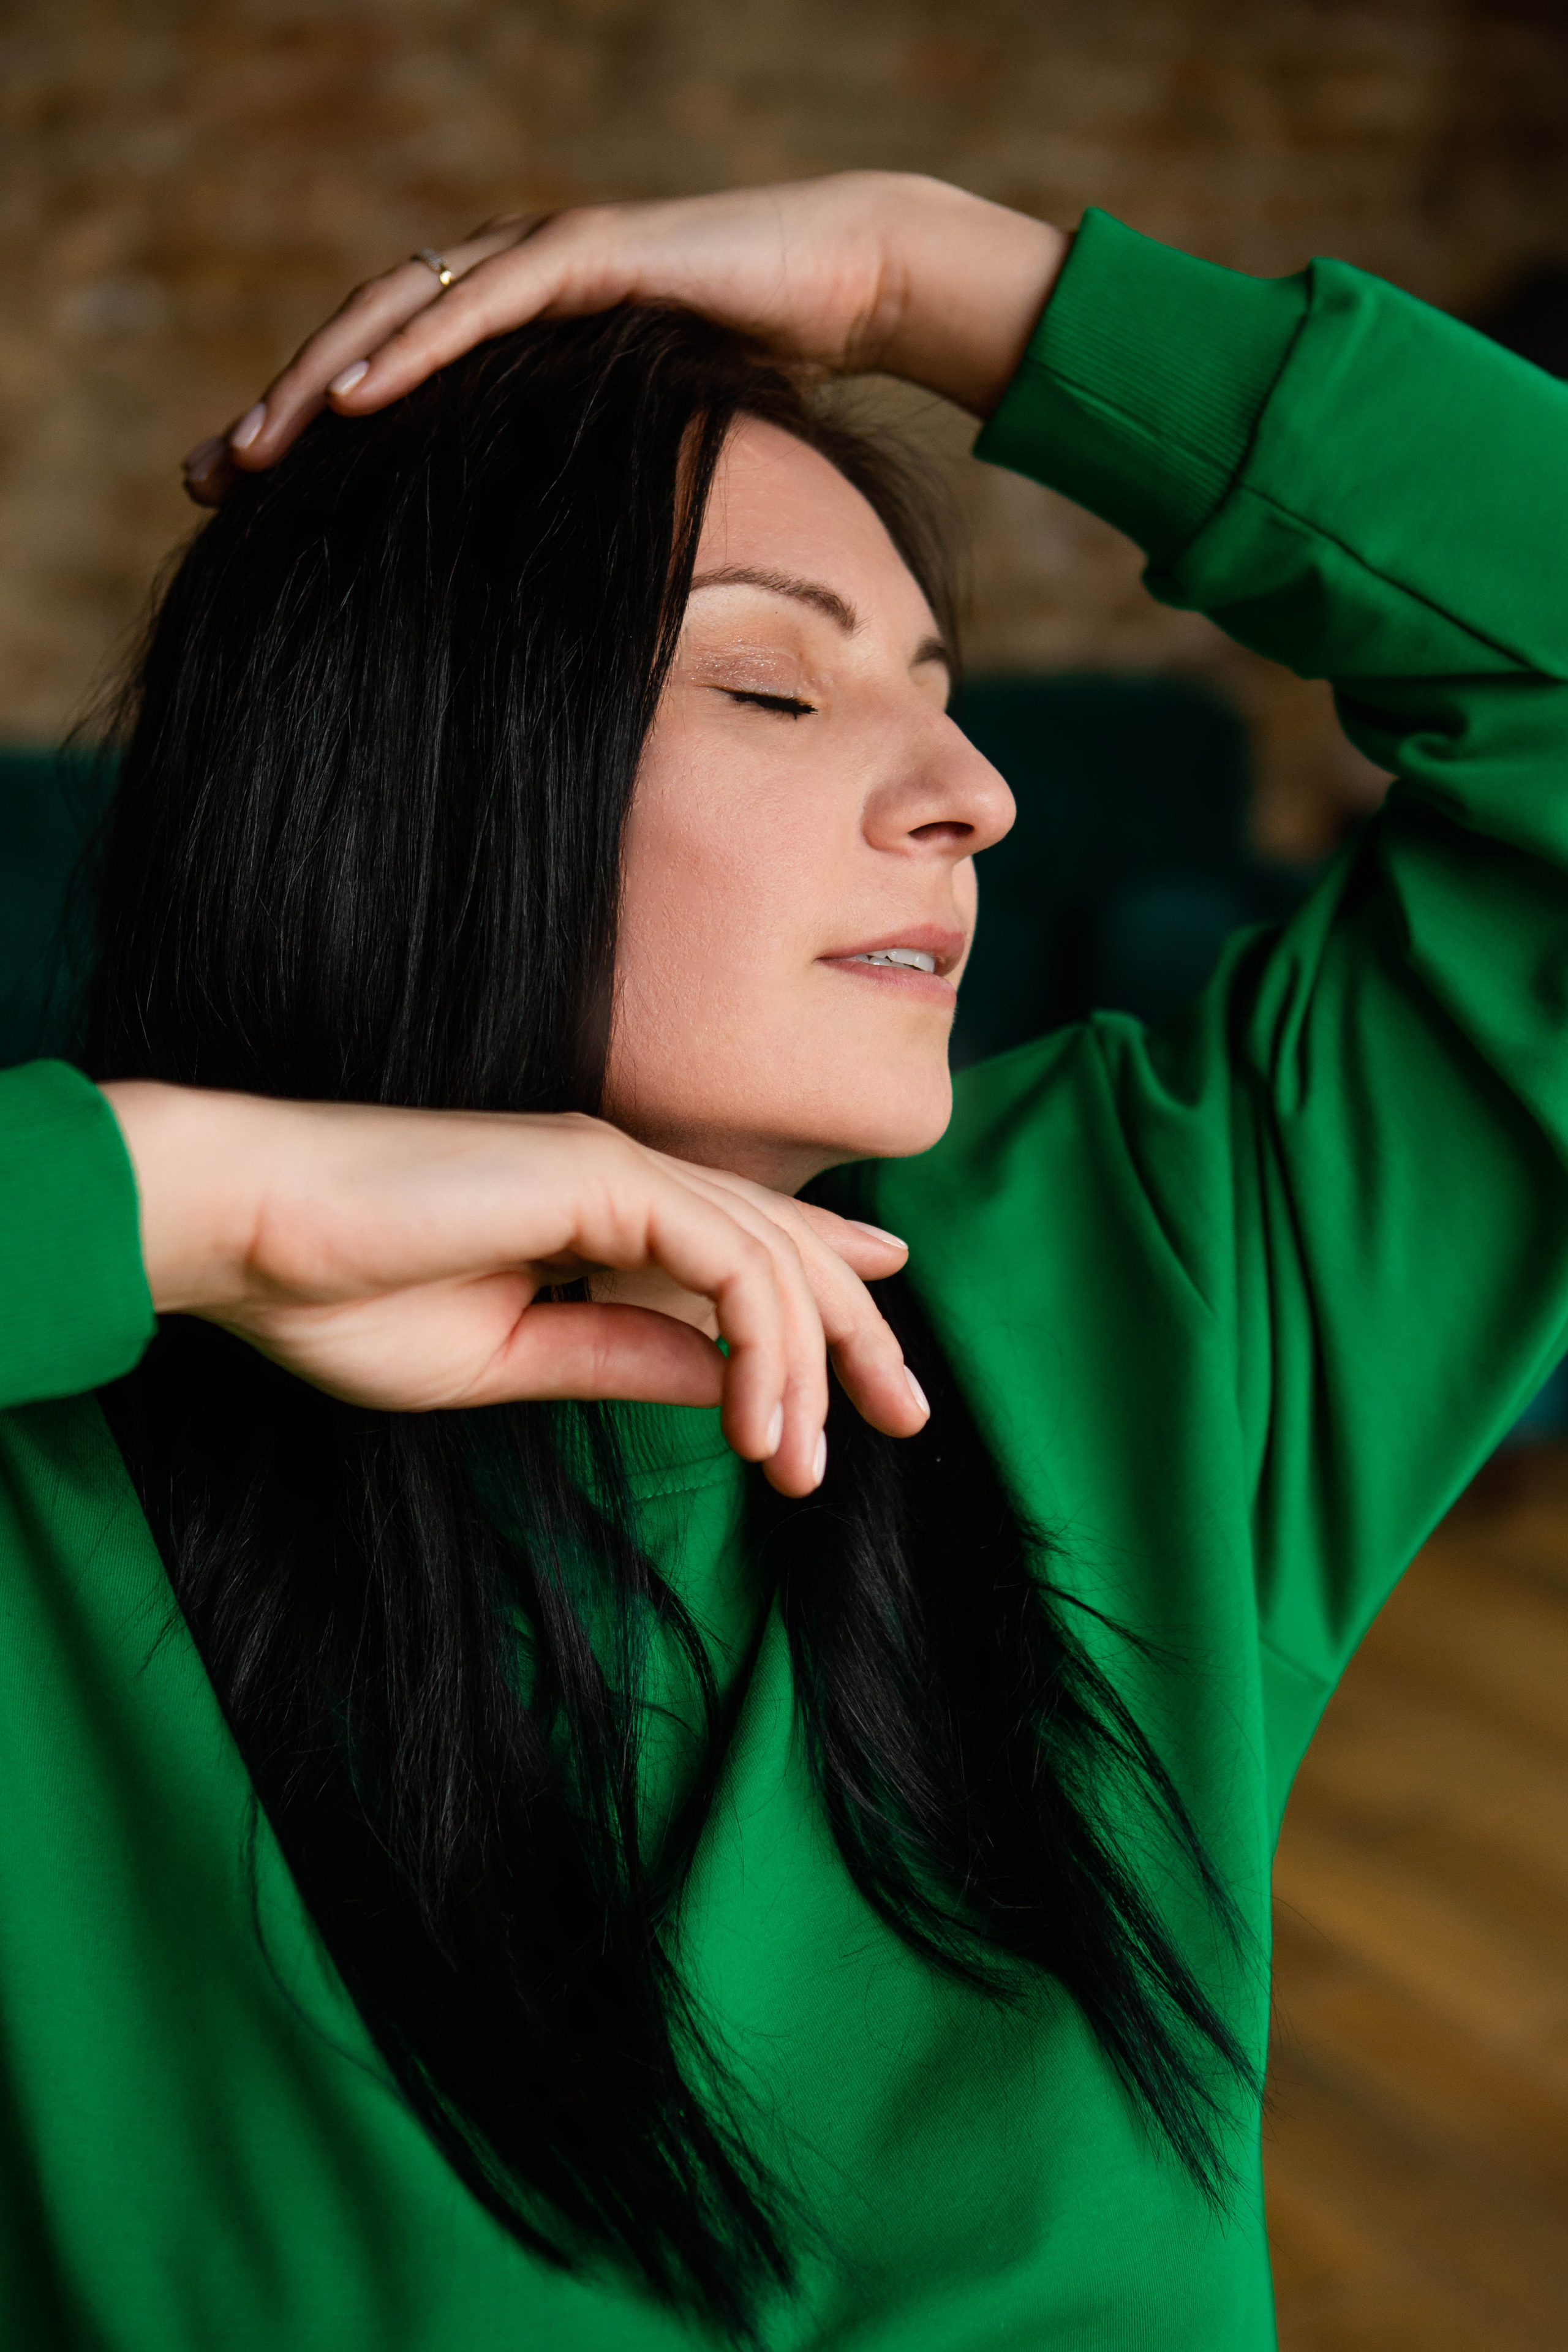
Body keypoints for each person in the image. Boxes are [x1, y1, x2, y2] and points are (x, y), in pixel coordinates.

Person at [4, 170, 1566, 2352]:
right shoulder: (54, 1468)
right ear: (428, 778)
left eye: (935, 693)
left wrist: (921, 276)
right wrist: (194, 1206)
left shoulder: (1149, 1271)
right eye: (776, 691)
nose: (971, 792)